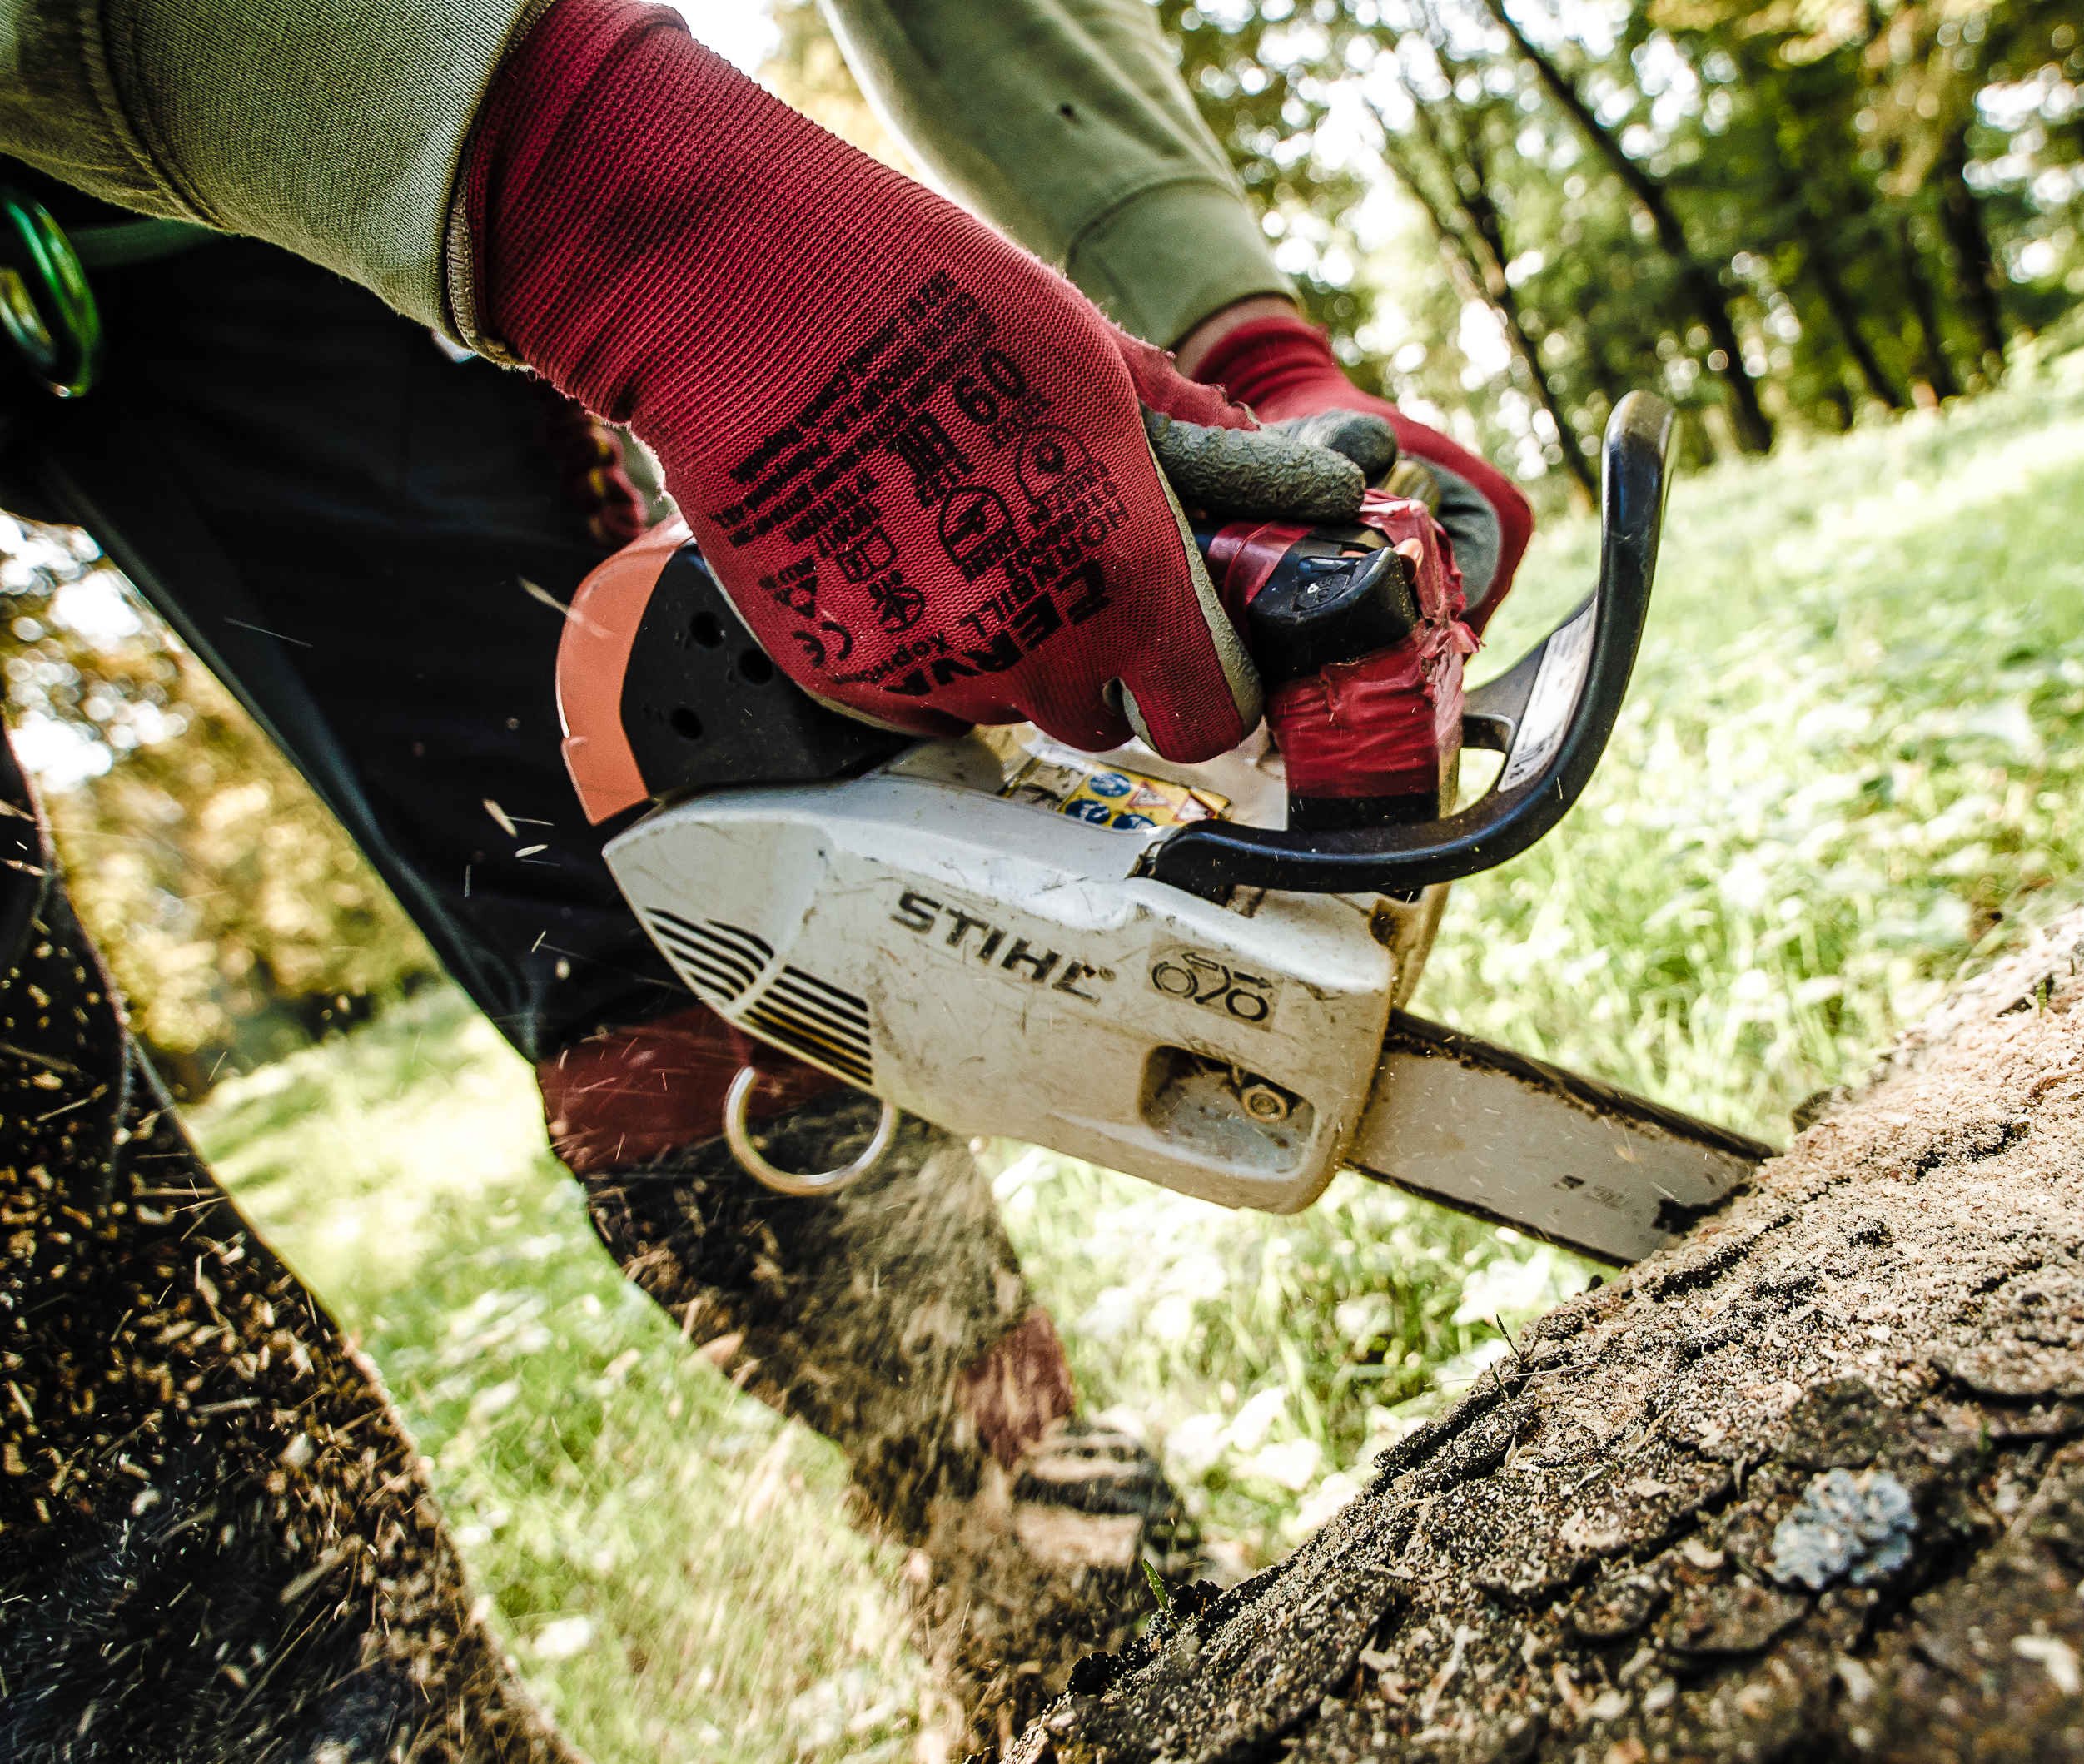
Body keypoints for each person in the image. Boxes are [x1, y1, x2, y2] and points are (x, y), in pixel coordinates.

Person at [0, 0, 1536, 1757]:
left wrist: (1243, 335)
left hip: (299, 175)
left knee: (690, 875)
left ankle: (1039, 1552)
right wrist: (604, 182)